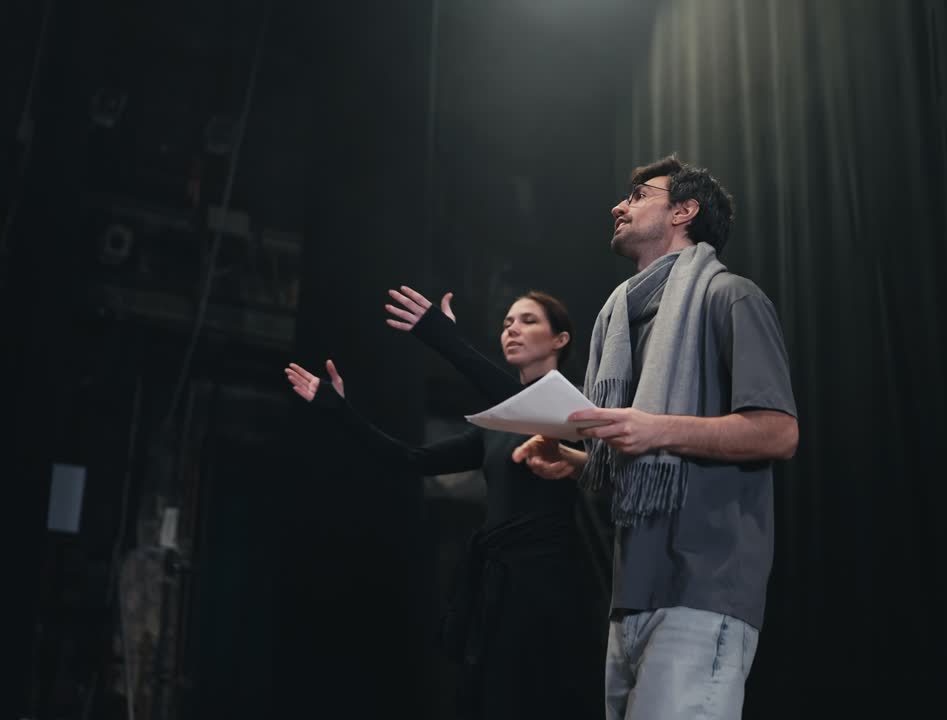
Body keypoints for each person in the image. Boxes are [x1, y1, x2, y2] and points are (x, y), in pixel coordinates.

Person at [512, 155, 799, 720]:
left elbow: (779, 432)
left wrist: (651, 428)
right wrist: (576, 460)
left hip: (705, 590)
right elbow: (645, 463)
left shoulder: (729, 297)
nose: (620, 205)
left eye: (640, 194)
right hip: (631, 597)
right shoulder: (619, 322)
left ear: (684, 211)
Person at [284, 289, 603, 720]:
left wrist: (445, 340)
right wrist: (340, 411)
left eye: (528, 320)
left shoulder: (572, 408)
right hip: (499, 586)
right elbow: (410, 460)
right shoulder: (497, 424)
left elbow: (522, 404)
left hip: (549, 591)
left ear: (560, 339)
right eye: (507, 322)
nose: (512, 329)